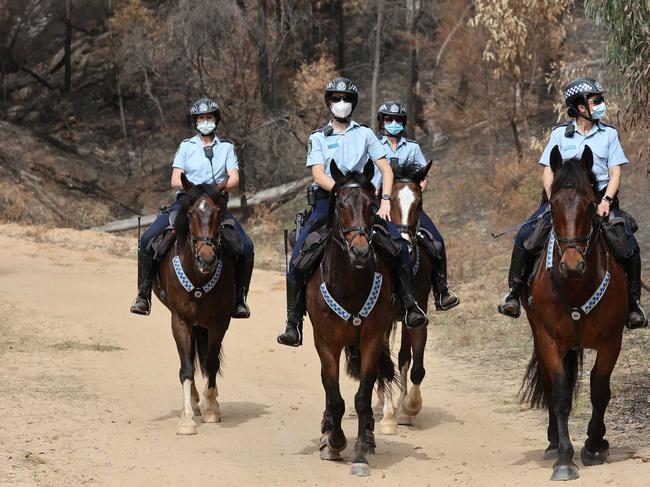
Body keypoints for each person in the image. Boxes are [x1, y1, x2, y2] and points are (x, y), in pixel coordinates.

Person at [276, 78, 428, 347]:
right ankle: (293, 323)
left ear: (353, 104)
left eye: (346, 99)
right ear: (329, 103)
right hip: (328, 200)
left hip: (362, 202)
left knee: (399, 248)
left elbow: (387, 170)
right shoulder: (318, 137)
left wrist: (383, 201)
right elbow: (318, 174)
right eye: (335, 99)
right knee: (299, 255)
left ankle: (409, 306)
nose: (341, 104)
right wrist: (341, 191)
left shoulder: (367, 134)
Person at [497, 77, 647, 329]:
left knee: (628, 243)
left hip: (598, 200)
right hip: (561, 200)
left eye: (600, 100)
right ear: (580, 107)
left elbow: (616, 173)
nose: (601, 105)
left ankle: (633, 305)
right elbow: (547, 169)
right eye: (595, 100)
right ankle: (513, 292)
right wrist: (553, 197)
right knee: (525, 235)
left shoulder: (609, 135)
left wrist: (606, 201)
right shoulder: (559, 134)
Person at [130, 98, 254, 319]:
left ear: (216, 120)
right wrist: (196, 190)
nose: (205, 122)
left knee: (246, 245)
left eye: (209, 117)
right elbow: (175, 179)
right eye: (201, 118)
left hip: (215, 204)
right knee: (147, 239)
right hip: (186, 202)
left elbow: (234, 178)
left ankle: (239, 299)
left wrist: (216, 188)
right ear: (195, 122)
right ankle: (143, 294)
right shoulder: (186, 146)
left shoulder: (226, 147)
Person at [375, 100, 460, 311]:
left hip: (407, 205)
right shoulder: (373, 146)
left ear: (403, 123)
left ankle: (442, 291)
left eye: (397, 120)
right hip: (380, 205)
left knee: (437, 241)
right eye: (389, 119)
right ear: (382, 122)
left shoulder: (412, 147)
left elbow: (423, 176)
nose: (393, 123)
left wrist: (415, 190)